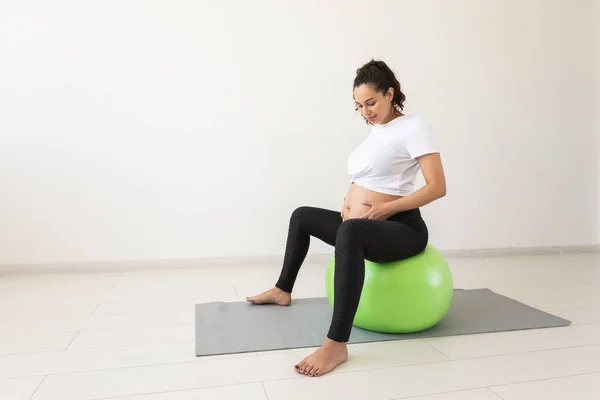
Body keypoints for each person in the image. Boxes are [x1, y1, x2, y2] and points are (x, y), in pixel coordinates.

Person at [246, 59, 447, 377]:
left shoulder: (415, 126)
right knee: (302, 216)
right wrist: (350, 199)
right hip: (366, 223)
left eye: (371, 102)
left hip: (402, 227)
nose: (366, 111)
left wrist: (388, 208)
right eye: (359, 106)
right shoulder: (378, 131)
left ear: (390, 94)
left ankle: (336, 344)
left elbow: (438, 187)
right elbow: (376, 178)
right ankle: (282, 289)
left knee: (350, 233)